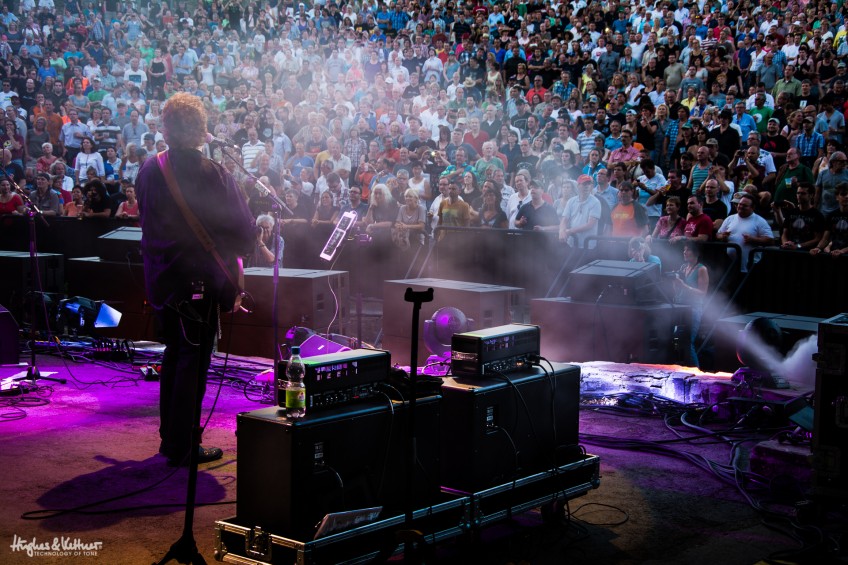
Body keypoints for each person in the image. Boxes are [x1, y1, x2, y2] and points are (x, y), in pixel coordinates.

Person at [137, 92, 255, 467]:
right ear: (202, 130)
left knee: (174, 355)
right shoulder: (215, 174)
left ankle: (170, 439)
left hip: (162, 282)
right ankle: (182, 446)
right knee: (193, 361)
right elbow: (242, 231)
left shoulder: (148, 169)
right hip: (198, 285)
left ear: (166, 129)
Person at [672, 241, 709, 367]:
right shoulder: (683, 267)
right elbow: (679, 290)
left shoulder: (701, 269)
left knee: (688, 342)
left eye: (688, 250)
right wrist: (675, 284)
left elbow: (702, 293)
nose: (684, 252)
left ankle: (697, 373)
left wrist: (683, 285)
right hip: (681, 306)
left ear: (696, 253)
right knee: (678, 340)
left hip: (694, 308)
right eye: (684, 250)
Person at [716, 193, 774, 272]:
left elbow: (770, 240)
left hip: (750, 266)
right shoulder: (730, 218)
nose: (740, 207)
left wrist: (754, 240)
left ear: (752, 207)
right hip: (730, 265)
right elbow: (718, 234)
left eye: (745, 205)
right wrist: (722, 236)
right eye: (740, 204)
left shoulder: (760, 221)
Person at [779, 183, 824, 251]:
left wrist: (798, 246)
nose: (799, 195)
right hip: (790, 249)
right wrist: (785, 243)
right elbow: (785, 233)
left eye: (803, 193)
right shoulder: (791, 212)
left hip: (806, 252)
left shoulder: (817, 215)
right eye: (798, 193)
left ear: (811, 195)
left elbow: (817, 238)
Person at [811, 183, 848, 257]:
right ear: (837, 197)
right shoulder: (832, 216)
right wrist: (818, 248)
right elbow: (825, 239)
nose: (847, 196)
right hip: (833, 254)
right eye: (843, 194)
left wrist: (842, 251)